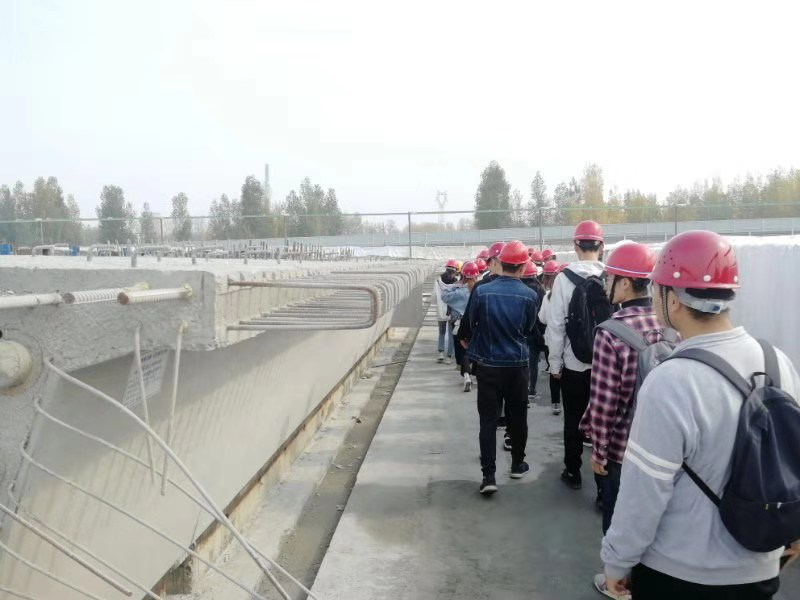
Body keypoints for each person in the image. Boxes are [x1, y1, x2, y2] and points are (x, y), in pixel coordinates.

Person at [600, 231, 800, 600]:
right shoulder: (777, 361)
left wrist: (617, 561)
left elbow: (643, 494)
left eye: (657, 288)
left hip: (681, 573)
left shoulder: (671, 380)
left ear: (673, 299)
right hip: (761, 566)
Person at [579, 243, 661, 542]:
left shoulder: (611, 332)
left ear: (625, 283)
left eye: (610, 278)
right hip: (661, 446)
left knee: (617, 523)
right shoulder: (669, 325)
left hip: (622, 450)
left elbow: (604, 403)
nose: (606, 285)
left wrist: (599, 452)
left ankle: (617, 569)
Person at [467, 241, 538, 495]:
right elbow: (529, 329)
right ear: (522, 267)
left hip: (488, 365)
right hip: (517, 366)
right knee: (518, 417)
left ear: (500, 262)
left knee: (488, 421)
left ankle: (489, 475)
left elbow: (472, 323)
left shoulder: (482, 292)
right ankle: (518, 463)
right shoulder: (530, 296)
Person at [546, 221, 606, 492]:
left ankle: (573, 471)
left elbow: (556, 325)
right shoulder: (611, 276)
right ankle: (603, 486)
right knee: (605, 421)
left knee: (572, 419)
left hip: (573, 363)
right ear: (601, 245)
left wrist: (555, 363)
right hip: (605, 365)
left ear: (575, 245)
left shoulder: (563, 278)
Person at [442, 261, 480, 392]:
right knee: (475, 348)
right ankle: (476, 373)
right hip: (475, 323)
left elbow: (444, 296)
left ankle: (466, 375)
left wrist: (457, 285)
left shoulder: (458, 291)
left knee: (462, 350)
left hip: (458, 323)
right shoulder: (478, 289)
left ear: (462, 274)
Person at [538, 260, 563, 415]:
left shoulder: (547, 297)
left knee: (554, 371)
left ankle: (556, 403)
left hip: (550, 340)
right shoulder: (571, 294)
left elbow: (542, 319)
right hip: (569, 342)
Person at [521, 259, 546, 404]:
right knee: (533, 362)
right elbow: (542, 313)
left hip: (520, 331)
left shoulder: (518, 289)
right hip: (535, 331)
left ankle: (522, 389)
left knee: (522, 362)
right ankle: (532, 390)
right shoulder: (539, 289)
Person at [433, 260, 459, 363]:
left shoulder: (438, 281)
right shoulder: (457, 282)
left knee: (441, 332)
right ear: (455, 271)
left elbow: (434, 297)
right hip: (452, 311)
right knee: (451, 334)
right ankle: (449, 356)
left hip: (441, 310)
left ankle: (440, 353)